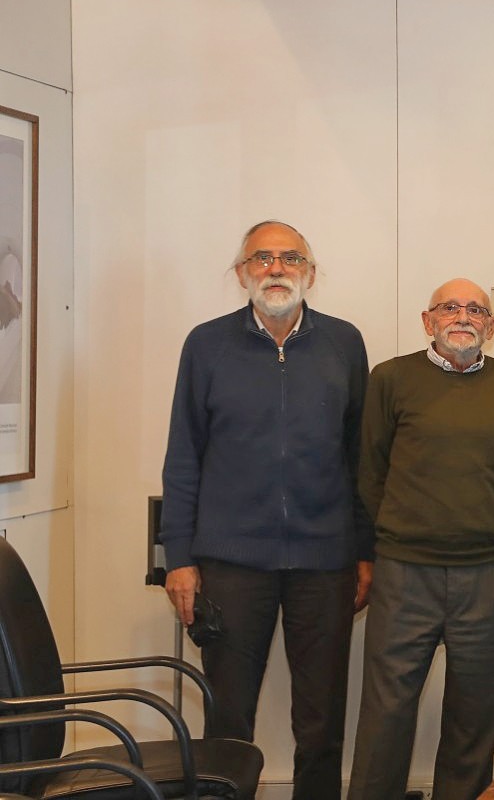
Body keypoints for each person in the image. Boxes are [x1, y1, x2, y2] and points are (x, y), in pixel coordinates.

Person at [159, 221, 370, 800]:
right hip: (230, 563)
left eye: (290, 257)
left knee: (322, 723)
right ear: (241, 273)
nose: (276, 268)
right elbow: (183, 456)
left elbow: (360, 458)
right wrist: (178, 556)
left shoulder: (345, 343)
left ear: (310, 272)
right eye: (262, 258)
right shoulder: (205, 344)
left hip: (325, 561)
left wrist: (364, 552)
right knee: (227, 726)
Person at [348, 280, 494, 800]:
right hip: (405, 573)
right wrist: (405, 533)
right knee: (385, 717)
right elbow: (370, 472)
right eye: (450, 307)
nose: (463, 316)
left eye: (477, 310)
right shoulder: (390, 379)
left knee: (475, 720)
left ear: (492, 328)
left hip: (489, 574)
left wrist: (481, 523)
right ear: (428, 320)